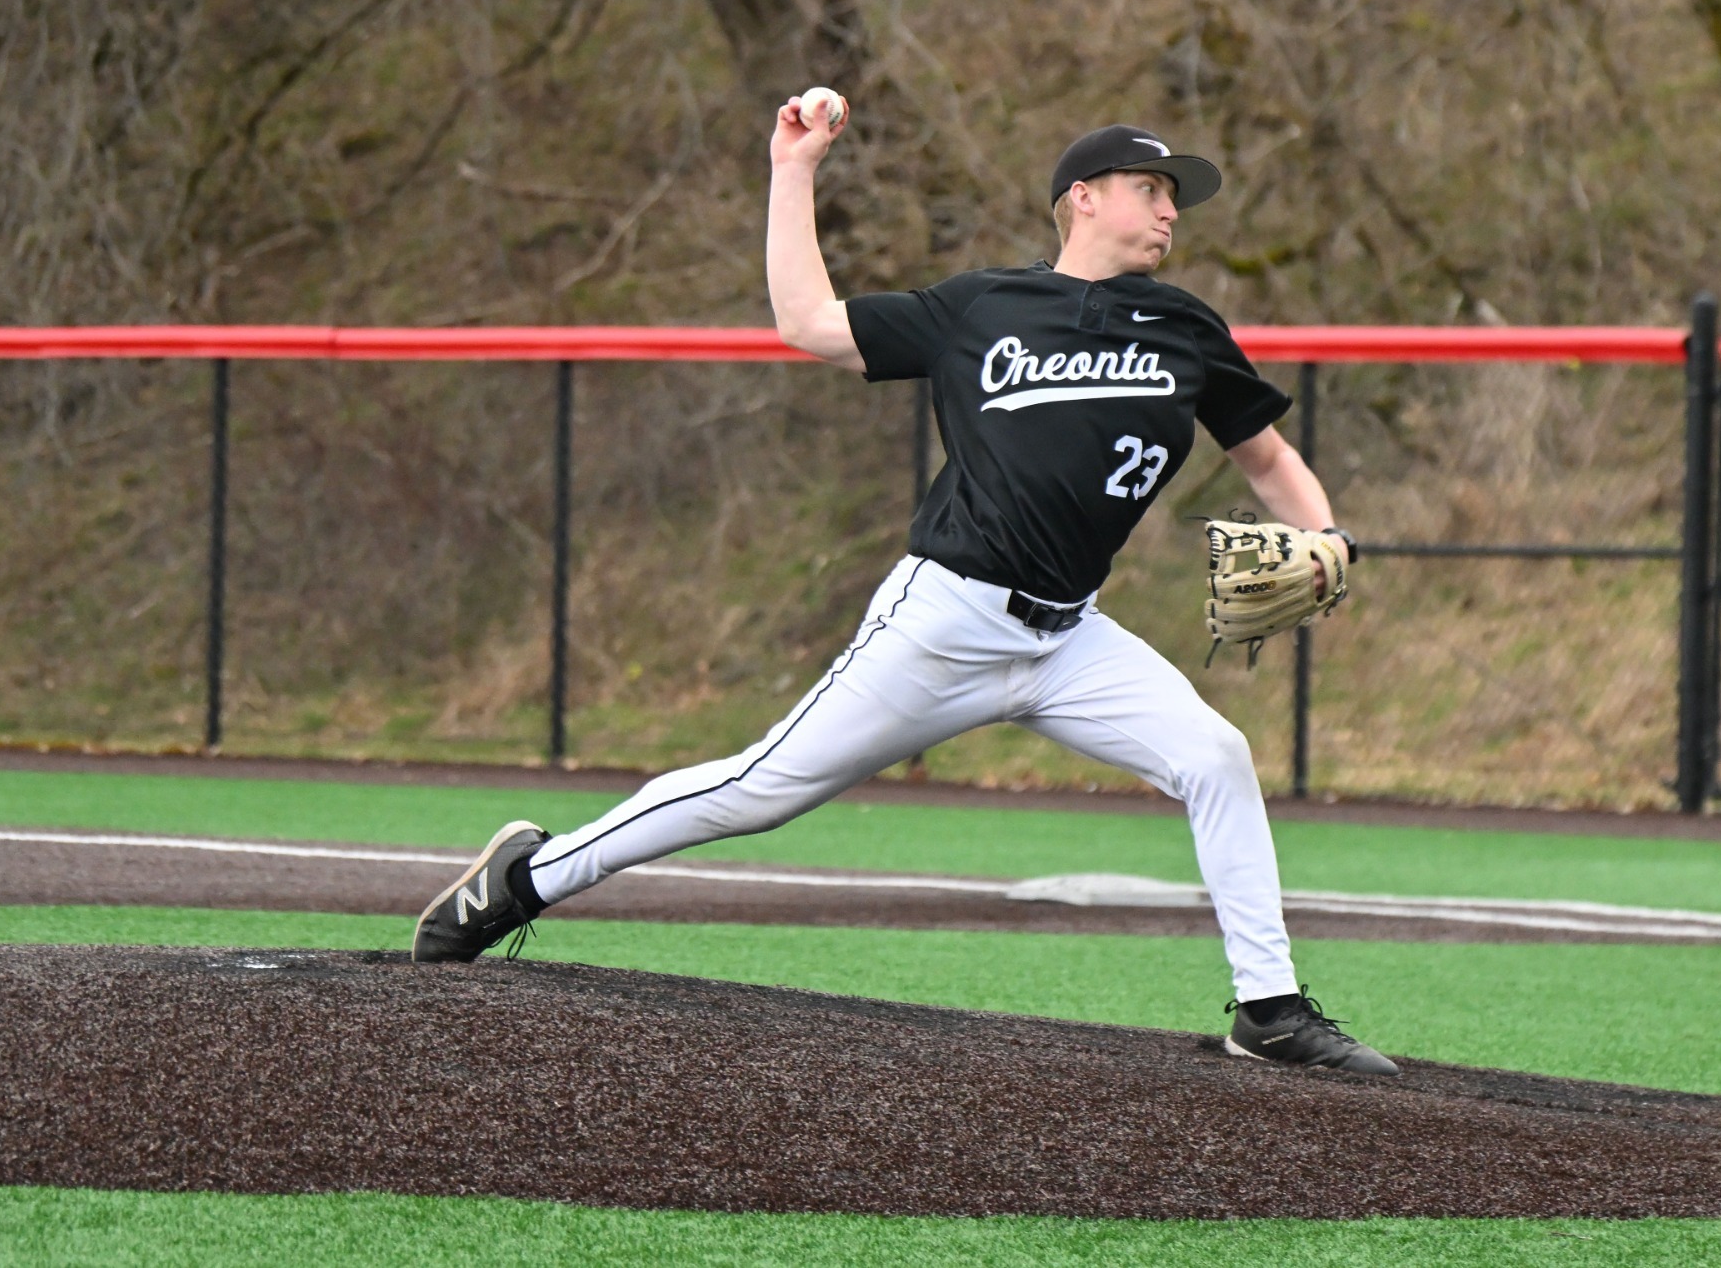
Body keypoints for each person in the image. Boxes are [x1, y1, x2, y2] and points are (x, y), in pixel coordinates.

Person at [412, 98, 1396, 1076]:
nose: (1170, 208)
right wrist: (792, 170)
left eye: (1174, 194)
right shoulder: (981, 307)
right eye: (1150, 188)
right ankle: (527, 874)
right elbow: (806, 323)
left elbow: (1265, 457)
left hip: (1071, 640)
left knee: (1215, 755)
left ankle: (1266, 1008)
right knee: (758, 790)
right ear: (1083, 200)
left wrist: (1323, 535)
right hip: (944, 620)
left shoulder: (1184, 326)